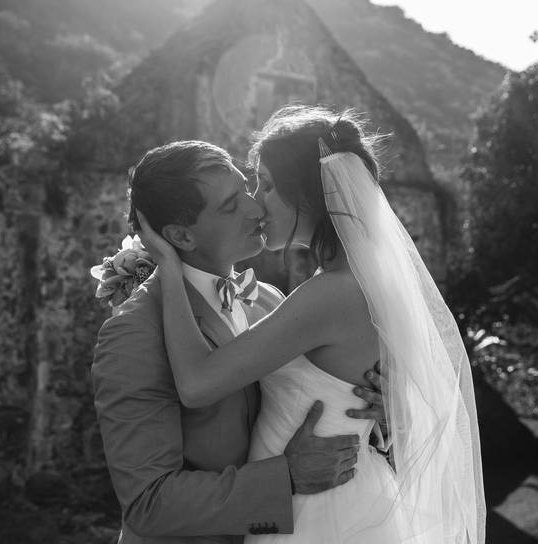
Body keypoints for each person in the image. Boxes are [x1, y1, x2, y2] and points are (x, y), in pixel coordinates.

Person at [138, 106, 485, 543]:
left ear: (307, 193)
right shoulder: (346, 284)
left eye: (265, 185)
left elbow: (197, 384)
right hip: (317, 500)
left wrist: (168, 268)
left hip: (317, 514)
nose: (255, 203)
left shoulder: (331, 294)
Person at [91, 139, 387, 543]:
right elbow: (149, 503)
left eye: (247, 188)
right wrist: (285, 478)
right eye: (231, 206)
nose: (255, 208)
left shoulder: (268, 299)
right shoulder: (133, 333)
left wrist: (370, 404)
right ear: (181, 235)